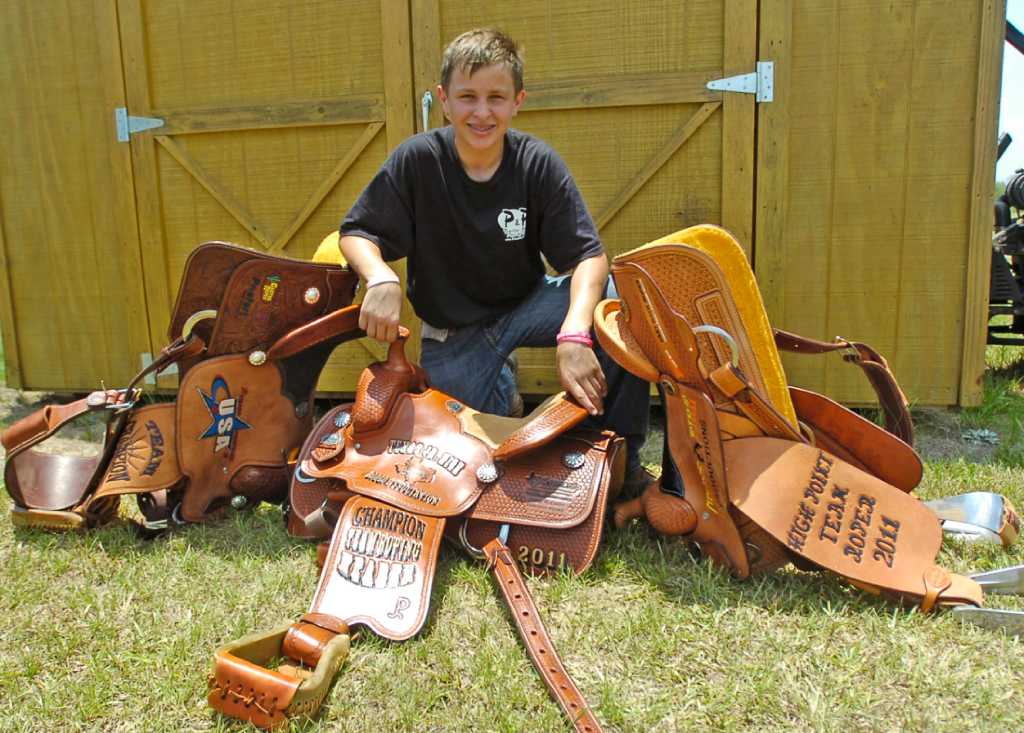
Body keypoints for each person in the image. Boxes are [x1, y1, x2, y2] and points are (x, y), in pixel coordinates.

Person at [338, 27, 649, 483]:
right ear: (443, 99)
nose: (482, 113)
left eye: (496, 98)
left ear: (518, 100)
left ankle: (618, 465)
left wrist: (577, 334)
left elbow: (588, 255)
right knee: (461, 466)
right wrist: (380, 277)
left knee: (621, 302)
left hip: (526, 306)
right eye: (467, 97)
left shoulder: (536, 162)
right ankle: (502, 388)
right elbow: (357, 231)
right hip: (454, 333)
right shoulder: (417, 161)